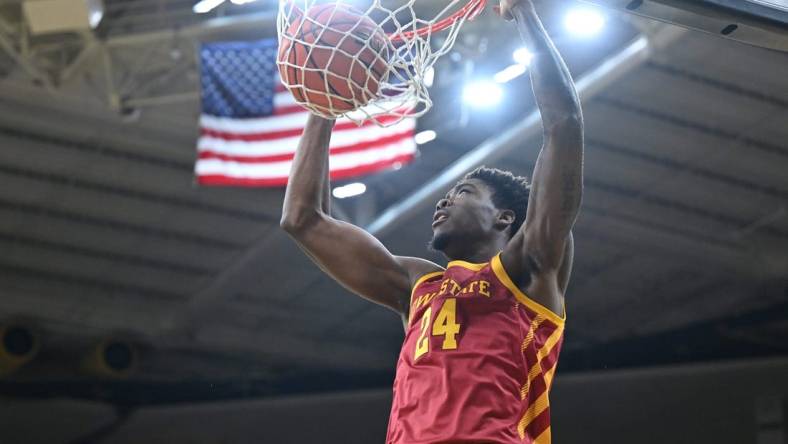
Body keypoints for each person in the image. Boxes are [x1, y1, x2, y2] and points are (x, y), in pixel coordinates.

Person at [280, 0, 582, 441]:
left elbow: (564, 124)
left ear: (504, 217)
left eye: (463, 193)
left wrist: (523, 13)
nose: (443, 203)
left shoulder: (529, 270)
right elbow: (301, 220)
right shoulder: (418, 286)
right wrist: (325, 98)